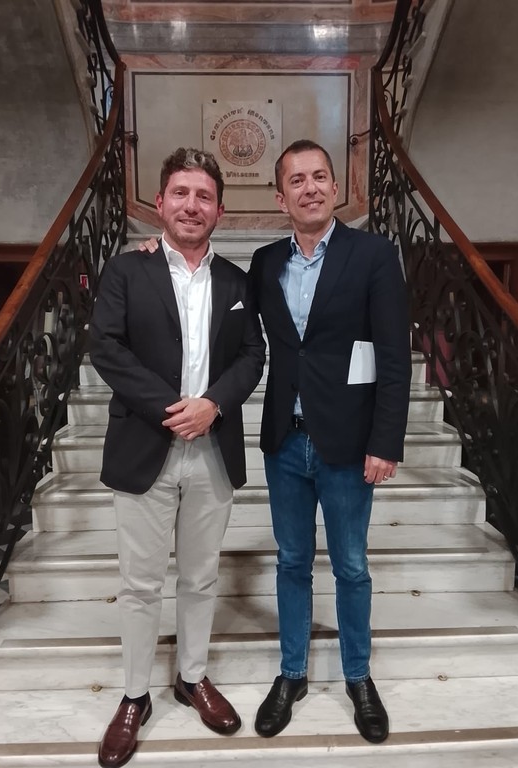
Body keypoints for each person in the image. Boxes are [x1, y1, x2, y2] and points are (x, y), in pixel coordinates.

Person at [90, 147, 265, 768]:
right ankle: (135, 695)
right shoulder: (126, 270)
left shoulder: (237, 281)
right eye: (181, 193)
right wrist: (174, 408)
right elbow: (106, 348)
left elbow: (252, 356)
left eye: (204, 196)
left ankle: (192, 678)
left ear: (220, 210)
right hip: (147, 442)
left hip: (212, 449)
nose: (192, 205)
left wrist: (213, 404)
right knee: (140, 583)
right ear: (160, 202)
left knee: (200, 576)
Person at [248, 140, 411, 742]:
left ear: (336, 188)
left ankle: (357, 676)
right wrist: (158, 251)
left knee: (351, 566)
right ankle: (292, 673)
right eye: (297, 180)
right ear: (280, 197)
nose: (310, 187)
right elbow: (222, 300)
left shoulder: (373, 255)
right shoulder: (265, 261)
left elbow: (393, 356)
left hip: (348, 442)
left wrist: (385, 441)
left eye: (319, 177)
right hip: (285, 443)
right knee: (291, 562)